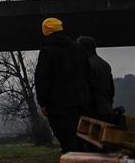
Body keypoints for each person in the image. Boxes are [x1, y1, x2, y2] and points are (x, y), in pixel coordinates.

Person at [35, 17, 91, 152]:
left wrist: (42, 102)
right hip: (80, 102)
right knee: (80, 138)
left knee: (66, 138)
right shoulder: (78, 48)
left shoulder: (47, 51)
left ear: (45, 31)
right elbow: (88, 73)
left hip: (57, 105)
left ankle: (71, 160)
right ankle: (82, 159)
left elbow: (42, 78)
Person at [76, 35, 115, 122]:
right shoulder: (105, 64)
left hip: (92, 113)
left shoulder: (85, 65)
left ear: (82, 49)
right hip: (106, 110)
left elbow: (83, 91)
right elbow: (111, 91)